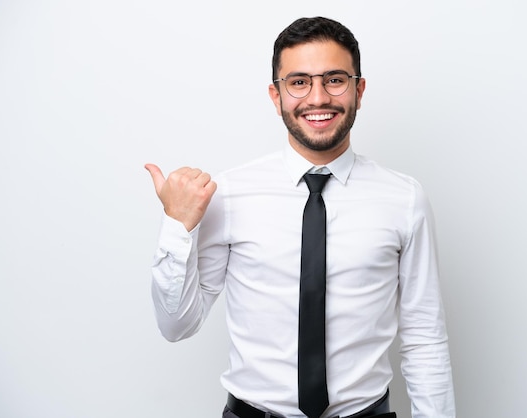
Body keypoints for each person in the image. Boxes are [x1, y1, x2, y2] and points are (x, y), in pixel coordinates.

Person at [145, 16, 455, 418]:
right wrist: (177, 226)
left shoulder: (404, 198)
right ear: (276, 97)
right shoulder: (230, 194)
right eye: (299, 82)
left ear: (359, 90)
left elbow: (424, 337)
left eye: (335, 79)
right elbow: (176, 326)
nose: (318, 97)